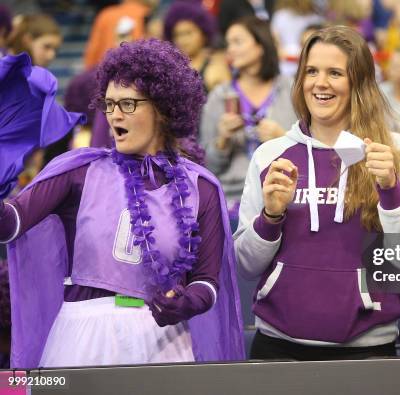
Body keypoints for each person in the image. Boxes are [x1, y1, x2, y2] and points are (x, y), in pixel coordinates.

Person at [0, 39, 244, 368]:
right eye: (109, 104)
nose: (114, 114)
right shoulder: (79, 171)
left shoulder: (201, 186)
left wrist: (188, 302)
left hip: (163, 342)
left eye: (128, 104)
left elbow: (207, 281)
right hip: (84, 337)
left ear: (163, 108)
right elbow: (10, 224)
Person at [234, 26, 400, 360]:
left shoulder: (396, 151)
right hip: (278, 347)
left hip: (367, 349)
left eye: (335, 73)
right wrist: (270, 217)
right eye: (311, 72)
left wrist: (390, 191)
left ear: (359, 83)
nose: (320, 83)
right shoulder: (270, 155)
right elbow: (245, 265)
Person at [200, 16, 297, 207]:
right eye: (228, 43)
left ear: (261, 45)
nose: (230, 50)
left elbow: (314, 153)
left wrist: (283, 138)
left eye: (238, 42)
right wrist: (222, 141)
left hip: (285, 193)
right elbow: (207, 167)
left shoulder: (291, 90)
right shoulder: (219, 97)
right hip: (233, 198)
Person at [163, 1, 231, 94]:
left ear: (203, 34)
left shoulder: (215, 69)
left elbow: (229, 105)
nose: (183, 40)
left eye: (188, 33)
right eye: (177, 35)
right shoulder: (171, 69)